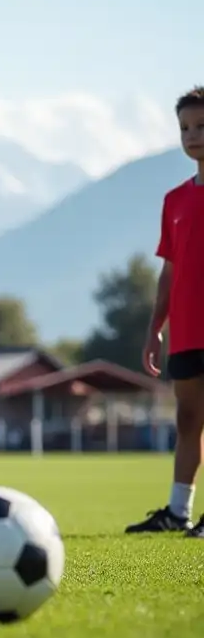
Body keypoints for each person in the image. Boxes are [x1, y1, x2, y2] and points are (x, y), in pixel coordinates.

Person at [126, 86, 204, 538]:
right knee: (189, 419)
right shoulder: (174, 200)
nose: (192, 135)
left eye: (201, 126)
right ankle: (179, 512)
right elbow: (169, 271)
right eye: (185, 128)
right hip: (188, 331)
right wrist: (156, 326)